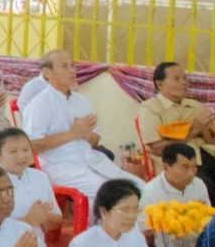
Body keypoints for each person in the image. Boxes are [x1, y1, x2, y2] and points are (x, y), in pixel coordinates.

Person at [21, 51, 133, 197]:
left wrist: (86, 134)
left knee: (140, 187)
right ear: (47, 73)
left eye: (73, 65)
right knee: (111, 194)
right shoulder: (39, 104)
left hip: (91, 160)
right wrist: (73, 134)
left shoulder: (82, 101)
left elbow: (94, 140)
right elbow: (32, 145)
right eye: (64, 66)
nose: (72, 70)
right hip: (60, 166)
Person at [138, 61, 215, 200]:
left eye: (185, 78)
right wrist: (194, 130)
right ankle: (211, 222)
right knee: (206, 188)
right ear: (160, 84)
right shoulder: (150, 108)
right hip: (177, 163)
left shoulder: (196, 106)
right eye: (177, 79)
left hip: (206, 157)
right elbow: (157, 148)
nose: (184, 83)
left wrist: (206, 129)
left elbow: (213, 145)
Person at [0, 127, 63, 233]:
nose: (21, 156)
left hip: (37, 246)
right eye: (13, 151)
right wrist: (28, 221)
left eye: (25, 150)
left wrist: (45, 217)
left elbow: (57, 219)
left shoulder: (40, 177)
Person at [140, 141, 214, 208]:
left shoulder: (199, 184)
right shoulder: (150, 193)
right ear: (165, 167)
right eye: (185, 167)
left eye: (194, 167)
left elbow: (208, 219)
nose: (191, 173)